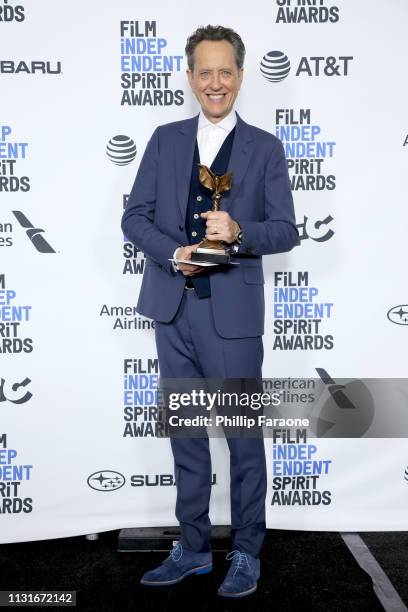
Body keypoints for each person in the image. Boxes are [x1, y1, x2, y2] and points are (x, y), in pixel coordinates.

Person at [121, 24, 299, 598]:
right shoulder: (165, 138)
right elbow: (134, 217)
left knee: (243, 439)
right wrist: (172, 253)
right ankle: (194, 548)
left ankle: (246, 550)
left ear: (241, 77)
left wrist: (240, 230)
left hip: (233, 319)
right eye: (205, 71)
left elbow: (287, 230)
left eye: (226, 71)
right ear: (191, 77)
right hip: (173, 310)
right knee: (187, 439)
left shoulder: (265, 148)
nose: (215, 82)